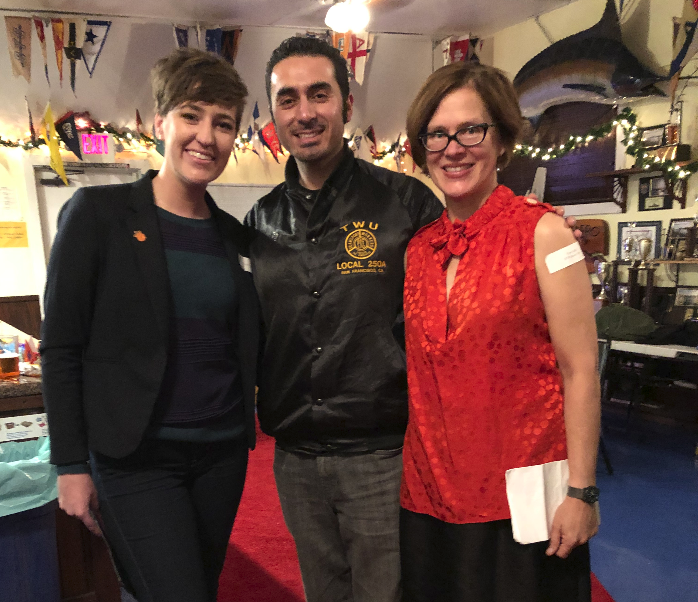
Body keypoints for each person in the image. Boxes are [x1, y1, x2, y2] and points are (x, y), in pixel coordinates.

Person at [41, 48, 260, 602]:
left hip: (220, 455)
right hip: (134, 457)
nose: (205, 135)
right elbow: (62, 346)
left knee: (197, 589)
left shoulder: (234, 237)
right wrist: (69, 464)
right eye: (192, 115)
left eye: (223, 123)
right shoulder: (98, 214)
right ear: (161, 121)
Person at [244, 36, 444, 602]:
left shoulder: (407, 205)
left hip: (381, 457)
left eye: (319, 94)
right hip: (295, 461)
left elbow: (460, 301)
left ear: (346, 103)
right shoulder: (260, 222)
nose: (304, 112)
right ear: (274, 116)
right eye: (288, 99)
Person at [400, 61, 601, 602]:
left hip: (522, 500)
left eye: (471, 129)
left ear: (504, 139)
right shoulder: (419, 249)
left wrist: (582, 491)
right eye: (437, 134)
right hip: (428, 494)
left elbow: (581, 369)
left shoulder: (548, 234)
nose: (453, 147)